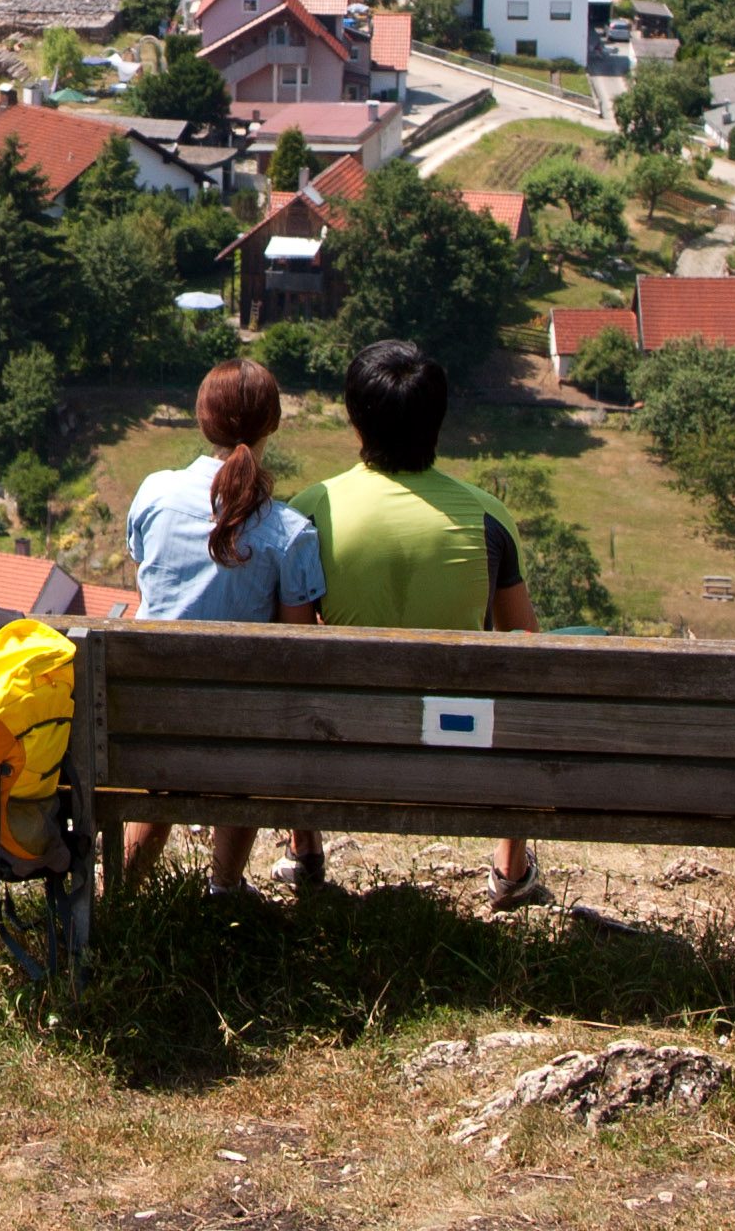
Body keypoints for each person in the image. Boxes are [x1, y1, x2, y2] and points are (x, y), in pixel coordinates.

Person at [301, 336, 551, 911]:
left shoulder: (312, 509)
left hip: (339, 746)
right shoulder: (487, 516)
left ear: (355, 420)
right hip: (457, 749)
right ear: (438, 419)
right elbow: (529, 650)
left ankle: (305, 849)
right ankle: (511, 871)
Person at [119, 359, 326, 896]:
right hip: (238, 732)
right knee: (252, 714)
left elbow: (149, 573)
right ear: (273, 425)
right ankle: (225, 888)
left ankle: (121, 892)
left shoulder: (155, 495)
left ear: (202, 421)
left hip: (147, 718)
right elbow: (296, 648)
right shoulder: (291, 533)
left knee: (165, 769)